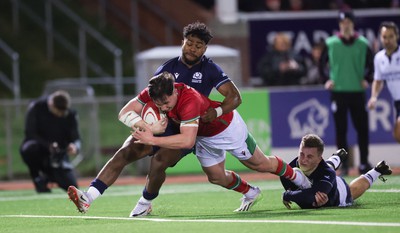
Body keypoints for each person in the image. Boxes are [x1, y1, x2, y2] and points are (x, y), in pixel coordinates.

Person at [67, 22, 273, 216]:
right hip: (168, 125)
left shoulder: (209, 70)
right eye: (189, 43)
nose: (192, 48)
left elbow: (233, 97)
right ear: (182, 42)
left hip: (191, 128)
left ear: (205, 49)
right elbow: (127, 111)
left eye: (198, 45)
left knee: (160, 163)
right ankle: (88, 197)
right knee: (125, 152)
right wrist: (146, 125)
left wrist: (217, 113)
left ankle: (145, 203)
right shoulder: (165, 72)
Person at [68, 72, 312, 215]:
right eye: (159, 105)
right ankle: (251, 192)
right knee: (216, 177)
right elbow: (125, 111)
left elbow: (187, 140)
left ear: (174, 92)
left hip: (225, 128)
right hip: (203, 136)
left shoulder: (189, 100)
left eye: (166, 104)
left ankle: (298, 178)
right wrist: (142, 125)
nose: (163, 109)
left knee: (259, 163)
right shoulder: (154, 90)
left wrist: (151, 136)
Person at [318, 10, 374, 175]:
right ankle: (343, 164)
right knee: (341, 130)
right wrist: (326, 80)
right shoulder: (331, 43)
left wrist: (367, 78)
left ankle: (363, 162)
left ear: (353, 23)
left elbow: (371, 64)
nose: (346, 25)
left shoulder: (363, 43)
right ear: (340, 24)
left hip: (357, 92)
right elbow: (321, 64)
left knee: (362, 129)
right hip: (339, 92)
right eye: (343, 22)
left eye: (348, 21)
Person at [280, 134, 392, 209]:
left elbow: (310, 197)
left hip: (338, 192)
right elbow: (304, 200)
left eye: (309, 156)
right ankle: (338, 156)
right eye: (301, 154)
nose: (303, 159)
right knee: (325, 166)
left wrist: (288, 195)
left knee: (351, 192)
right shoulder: (290, 169)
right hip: (321, 176)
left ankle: (377, 170)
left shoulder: (327, 172)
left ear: (320, 158)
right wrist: (298, 196)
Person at [20, 90, 81, 193]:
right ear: (51, 104)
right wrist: (48, 145)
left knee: (72, 186)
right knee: (29, 149)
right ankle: (37, 178)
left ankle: (47, 178)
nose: (60, 115)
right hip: (39, 150)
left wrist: (74, 146)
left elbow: (76, 138)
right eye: (58, 112)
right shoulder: (36, 107)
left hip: (58, 157)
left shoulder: (70, 114)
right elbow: (30, 133)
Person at [367, 21, 400, 143]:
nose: (388, 40)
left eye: (391, 36)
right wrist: (374, 97)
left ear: (397, 36)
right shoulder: (379, 58)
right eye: (384, 37)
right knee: (397, 136)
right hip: (397, 102)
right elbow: (378, 80)